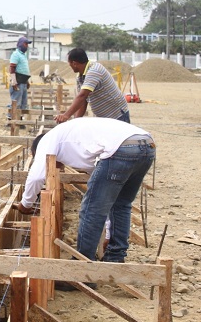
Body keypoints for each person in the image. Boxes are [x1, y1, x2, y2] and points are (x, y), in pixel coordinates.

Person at [15, 118, 155, 286]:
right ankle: (115, 260)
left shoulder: (47, 139)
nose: (57, 168)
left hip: (122, 148)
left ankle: (82, 273)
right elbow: (108, 199)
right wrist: (109, 235)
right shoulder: (80, 145)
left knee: (91, 209)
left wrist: (26, 204)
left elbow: (36, 176)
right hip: (146, 144)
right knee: (121, 204)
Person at [55, 48, 129, 124]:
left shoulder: (94, 70)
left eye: (69, 63)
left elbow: (82, 96)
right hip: (103, 118)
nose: (69, 65)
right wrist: (75, 122)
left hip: (117, 116)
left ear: (74, 63)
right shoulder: (80, 77)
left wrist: (66, 115)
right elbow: (83, 101)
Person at [8, 37, 32, 118]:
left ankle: (19, 119)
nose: (27, 46)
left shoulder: (23, 55)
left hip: (23, 81)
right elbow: (12, 68)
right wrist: (14, 81)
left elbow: (23, 69)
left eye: (27, 44)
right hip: (18, 81)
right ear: (21, 44)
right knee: (16, 102)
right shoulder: (16, 54)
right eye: (25, 44)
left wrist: (27, 81)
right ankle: (11, 119)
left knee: (23, 102)